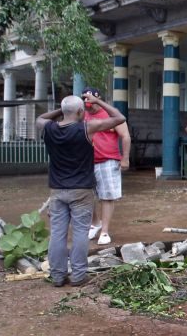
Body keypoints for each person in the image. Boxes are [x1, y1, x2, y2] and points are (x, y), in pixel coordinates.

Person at [36, 91, 124, 288]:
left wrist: (63, 108)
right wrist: (98, 101)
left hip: (57, 191)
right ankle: (78, 276)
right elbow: (119, 118)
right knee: (79, 233)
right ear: (79, 111)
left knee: (57, 234)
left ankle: (57, 276)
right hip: (82, 191)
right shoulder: (86, 128)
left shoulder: (49, 128)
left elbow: (40, 118)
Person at [82, 87, 132, 246]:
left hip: (108, 160)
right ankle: (95, 223)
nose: (88, 103)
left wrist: (125, 158)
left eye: (91, 100)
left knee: (107, 196)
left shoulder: (110, 114)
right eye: (85, 100)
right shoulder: (82, 115)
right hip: (86, 162)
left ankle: (104, 231)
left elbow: (125, 136)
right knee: (86, 195)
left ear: (98, 98)